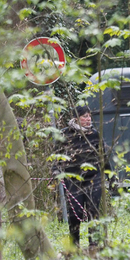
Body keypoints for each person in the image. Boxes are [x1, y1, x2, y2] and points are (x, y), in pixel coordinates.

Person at [54, 105, 111, 248]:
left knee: (93, 211)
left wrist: (110, 174)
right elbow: (56, 156)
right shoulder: (65, 134)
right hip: (73, 180)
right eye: (84, 116)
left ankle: (94, 244)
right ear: (76, 118)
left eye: (89, 116)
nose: (88, 119)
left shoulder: (95, 135)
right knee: (75, 214)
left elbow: (103, 156)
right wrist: (56, 170)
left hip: (94, 178)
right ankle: (74, 245)